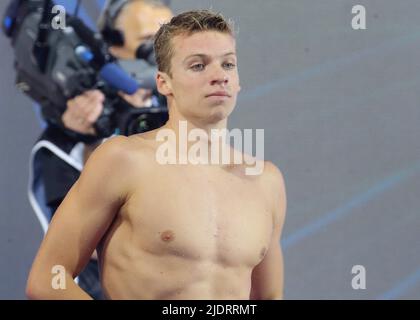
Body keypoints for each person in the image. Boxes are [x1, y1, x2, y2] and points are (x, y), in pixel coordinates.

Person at [26, 9, 287, 300]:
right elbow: (47, 278)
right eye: (198, 65)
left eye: (228, 64)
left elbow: (270, 297)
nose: (219, 76)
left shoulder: (266, 181)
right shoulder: (122, 160)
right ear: (164, 83)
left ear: (238, 81)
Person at [28, 0, 173, 299]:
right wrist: (85, 137)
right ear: (110, 49)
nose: (163, 56)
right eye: (148, 43)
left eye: (171, 41)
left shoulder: (185, 115)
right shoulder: (69, 137)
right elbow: (81, 244)